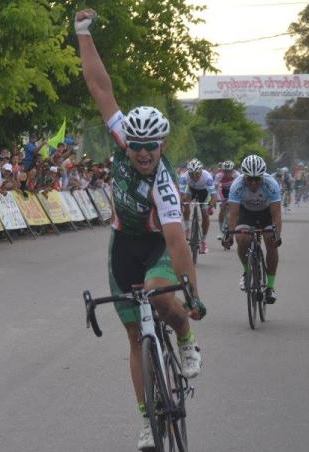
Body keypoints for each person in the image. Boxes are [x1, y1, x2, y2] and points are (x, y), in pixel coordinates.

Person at [75, 9, 206, 451]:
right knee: (134, 335)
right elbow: (100, 87)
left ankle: (185, 339)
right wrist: (82, 33)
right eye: (137, 146)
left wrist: (193, 295)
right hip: (123, 245)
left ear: (162, 145)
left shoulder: (166, 186)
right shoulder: (123, 138)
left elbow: (176, 241)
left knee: (163, 297)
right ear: (127, 141)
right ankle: (148, 421)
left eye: (152, 147)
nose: (143, 153)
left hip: (158, 247)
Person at [222, 155, 283, 304]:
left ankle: (270, 286)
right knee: (242, 239)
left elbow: (276, 214)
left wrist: (277, 234)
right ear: (244, 177)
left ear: (263, 177)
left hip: (266, 213)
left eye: (257, 179)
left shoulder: (271, 184)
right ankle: (247, 272)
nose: (254, 183)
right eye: (250, 179)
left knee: (270, 241)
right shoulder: (237, 185)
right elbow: (233, 214)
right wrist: (229, 235)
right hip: (246, 213)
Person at [179, 158, 217, 254]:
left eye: (197, 174)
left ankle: (203, 241)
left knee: (205, 214)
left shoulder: (207, 177)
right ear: (188, 172)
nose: (195, 177)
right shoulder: (184, 177)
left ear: (201, 171)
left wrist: (211, 205)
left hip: (204, 193)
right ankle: (187, 228)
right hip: (191, 190)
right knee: (185, 203)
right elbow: (181, 194)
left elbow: (213, 196)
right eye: (192, 174)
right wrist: (181, 202)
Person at [214, 160, 241, 238]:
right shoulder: (219, 175)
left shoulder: (237, 175)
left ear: (233, 170)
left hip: (233, 191)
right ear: (222, 171)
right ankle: (220, 231)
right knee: (222, 209)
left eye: (229, 171)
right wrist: (216, 198)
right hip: (223, 191)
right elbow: (215, 188)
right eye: (225, 171)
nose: (227, 173)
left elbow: (239, 189)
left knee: (234, 210)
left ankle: (233, 227)